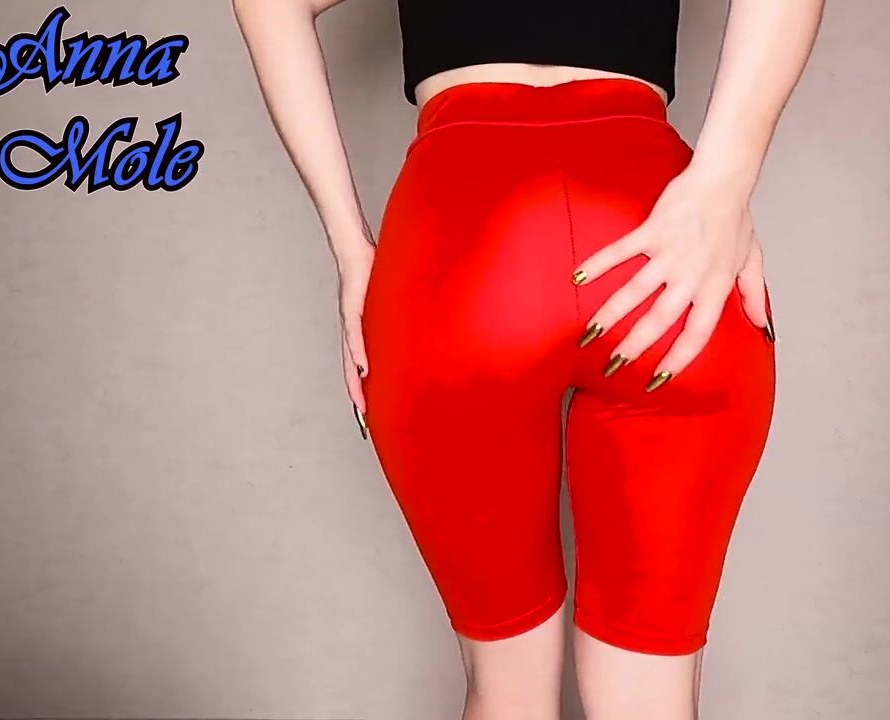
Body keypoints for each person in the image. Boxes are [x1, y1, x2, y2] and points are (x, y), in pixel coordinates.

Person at [232, 1, 825, 717]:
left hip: (462, 243)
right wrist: (722, 184)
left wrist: (351, 248)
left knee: (505, 694)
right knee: (651, 702)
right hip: (655, 242)